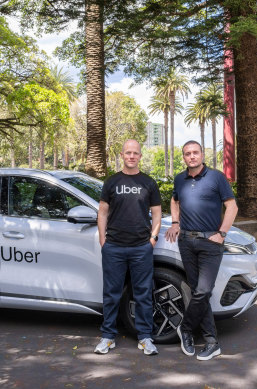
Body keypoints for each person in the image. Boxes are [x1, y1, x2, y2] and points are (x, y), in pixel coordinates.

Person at [165, 140, 238, 361]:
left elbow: (232, 206)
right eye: (187, 153)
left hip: (210, 243)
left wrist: (222, 233)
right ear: (184, 157)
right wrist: (175, 223)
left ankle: (185, 328)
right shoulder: (180, 179)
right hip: (186, 242)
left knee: (203, 291)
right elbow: (174, 200)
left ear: (202, 154)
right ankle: (211, 342)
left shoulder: (216, 177)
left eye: (195, 152)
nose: (192, 156)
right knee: (198, 290)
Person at [94, 139, 162, 356]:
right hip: (113, 247)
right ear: (122, 155)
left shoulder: (149, 183)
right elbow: (102, 212)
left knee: (142, 294)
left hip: (141, 248)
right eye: (128, 153)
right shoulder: (111, 182)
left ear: (140, 156)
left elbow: (157, 214)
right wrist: (103, 240)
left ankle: (145, 338)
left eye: (136, 153)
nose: (132, 156)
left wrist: (152, 239)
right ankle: (108, 337)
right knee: (111, 294)